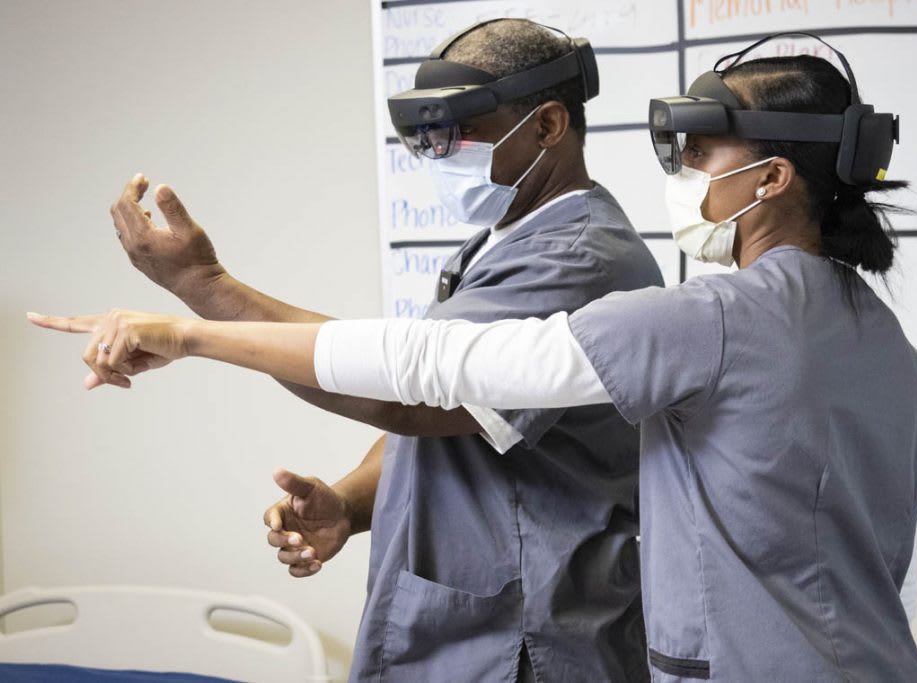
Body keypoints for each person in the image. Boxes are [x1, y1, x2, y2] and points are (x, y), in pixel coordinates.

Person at [32, 38, 917, 682]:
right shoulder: (885, 345)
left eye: (701, 151)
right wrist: (351, 501)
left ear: (774, 177)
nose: (683, 170)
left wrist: (198, 312)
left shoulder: (701, 314)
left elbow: (439, 375)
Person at [84, 18, 661, 683]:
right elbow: (451, 416)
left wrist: (202, 297)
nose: (439, 153)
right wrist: (352, 502)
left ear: (548, 125)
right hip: (468, 629)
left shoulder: (577, 258)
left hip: (523, 642)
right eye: (425, 135)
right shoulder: (505, 238)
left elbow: (413, 393)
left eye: (457, 129)